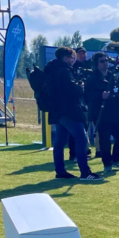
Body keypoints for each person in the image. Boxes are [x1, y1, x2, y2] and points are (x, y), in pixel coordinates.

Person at [46, 47, 103, 181]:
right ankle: (85, 172)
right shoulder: (64, 72)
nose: (73, 60)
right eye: (72, 57)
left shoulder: (50, 70)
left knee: (59, 142)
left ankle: (60, 171)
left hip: (57, 111)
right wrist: (80, 86)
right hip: (70, 111)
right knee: (81, 139)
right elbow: (73, 91)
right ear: (65, 58)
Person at [84, 52, 119, 176]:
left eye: (106, 60)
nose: (105, 63)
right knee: (105, 141)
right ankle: (107, 164)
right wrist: (100, 96)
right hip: (102, 114)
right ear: (96, 64)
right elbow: (87, 97)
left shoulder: (115, 77)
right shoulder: (92, 79)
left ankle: (116, 158)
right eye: (102, 61)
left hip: (118, 113)